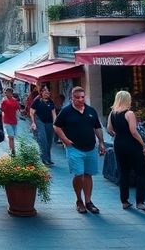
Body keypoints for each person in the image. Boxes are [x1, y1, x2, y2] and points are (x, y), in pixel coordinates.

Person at [53, 86, 105, 215]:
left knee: (88, 174)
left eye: (82, 97)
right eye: (77, 98)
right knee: (79, 174)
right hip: (74, 148)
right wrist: (65, 140)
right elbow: (56, 126)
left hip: (91, 148)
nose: (80, 100)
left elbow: (97, 127)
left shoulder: (91, 111)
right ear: (72, 98)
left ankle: (88, 201)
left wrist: (101, 143)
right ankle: (78, 200)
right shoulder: (66, 111)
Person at [106, 91, 145, 213]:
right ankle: (140, 201)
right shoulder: (129, 113)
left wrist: (118, 134)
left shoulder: (112, 113)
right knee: (142, 171)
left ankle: (124, 201)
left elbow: (109, 129)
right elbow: (133, 131)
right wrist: (143, 144)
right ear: (127, 100)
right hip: (131, 144)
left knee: (124, 172)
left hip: (118, 144)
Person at [29, 86, 58, 166]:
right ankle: (44, 159)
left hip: (49, 122)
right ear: (41, 92)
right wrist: (33, 122)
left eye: (48, 91)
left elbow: (53, 112)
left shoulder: (50, 101)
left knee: (49, 141)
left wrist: (55, 123)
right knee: (43, 140)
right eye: (44, 91)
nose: (46, 92)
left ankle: (48, 158)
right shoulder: (37, 100)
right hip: (40, 121)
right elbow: (32, 112)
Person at [0, 88, 20, 157]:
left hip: (14, 121)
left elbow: (18, 110)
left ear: (11, 93)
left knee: (12, 137)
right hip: (7, 121)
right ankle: (12, 151)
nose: (6, 94)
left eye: (7, 92)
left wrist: (18, 118)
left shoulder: (15, 101)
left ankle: (12, 149)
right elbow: (2, 110)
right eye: (6, 92)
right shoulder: (4, 101)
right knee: (11, 136)